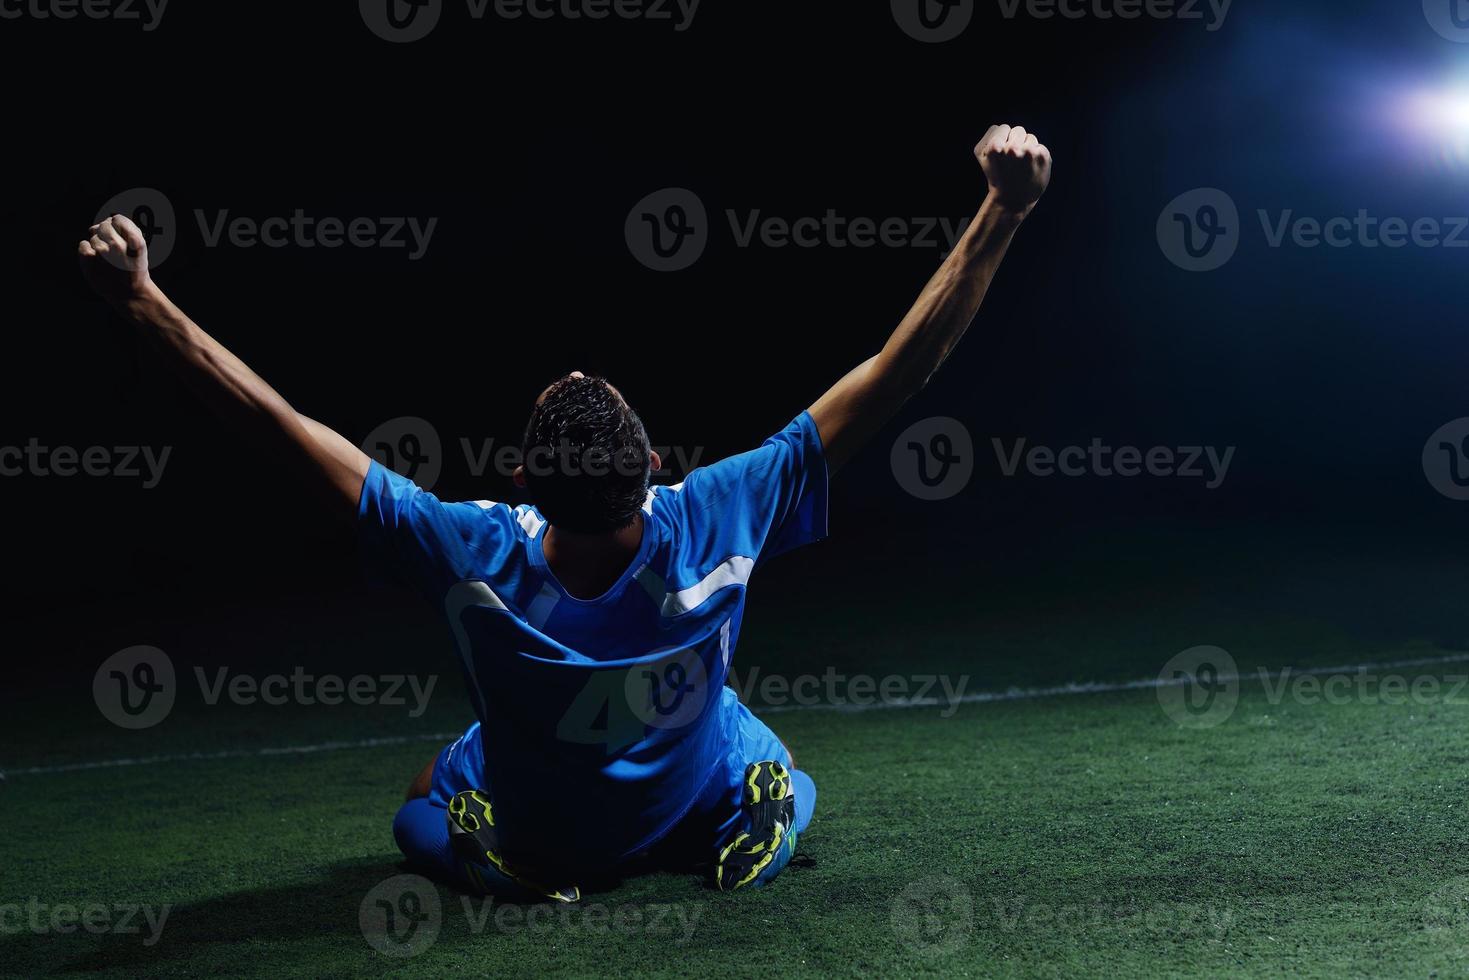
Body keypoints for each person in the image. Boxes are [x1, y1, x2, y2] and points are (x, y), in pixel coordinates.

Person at [76, 123, 1051, 899]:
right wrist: (1001, 211)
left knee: (423, 796)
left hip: (551, 831)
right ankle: (763, 816)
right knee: (785, 765)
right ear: (657, 465)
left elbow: (274, 423)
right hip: (681, 798)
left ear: (519, 479)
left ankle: (480, 851)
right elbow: (896, 372)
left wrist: (140, 302)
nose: (579, 370)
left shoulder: (466, 543)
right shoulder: (721, 507)